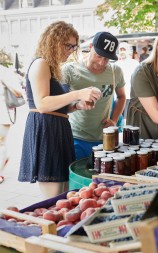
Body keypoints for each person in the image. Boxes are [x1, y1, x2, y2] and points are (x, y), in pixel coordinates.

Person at [18, 21, 102, 198]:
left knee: (63, 194)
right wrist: (78, 93)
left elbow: (57, 107)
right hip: (46, 130)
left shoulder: (54, 67)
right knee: (54, 197)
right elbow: (42, 104)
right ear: (53, 41)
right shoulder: (41, 63)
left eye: (74, 46)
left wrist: (77, 105)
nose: (71, 50)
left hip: (57, 129)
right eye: (68, 45)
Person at [62, 32, 126, 160]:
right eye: (99, 56)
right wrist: (77, 105)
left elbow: (122, 97)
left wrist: (114, 120)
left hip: (105, 138)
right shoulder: (69, 70)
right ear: (91, 47)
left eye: (107, 58)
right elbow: (60, 105)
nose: (102, 62)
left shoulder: (115, 71)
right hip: (76, 137)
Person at [0, 65, 23, 183]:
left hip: (2, 115)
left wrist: (6, 84)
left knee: (0, 144)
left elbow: (19, 92)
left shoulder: (3, 71)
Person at [116, 43, 139, 119]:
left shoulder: (135, 64)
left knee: (128, 118)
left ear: (128, 51)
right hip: (118, 96)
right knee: (118, 118)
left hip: (131, 96)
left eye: (124, 49)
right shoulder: (116, 64)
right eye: (120, 49)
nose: (122, 52)